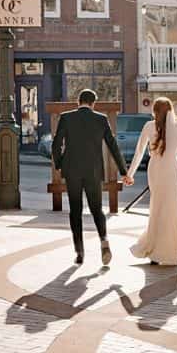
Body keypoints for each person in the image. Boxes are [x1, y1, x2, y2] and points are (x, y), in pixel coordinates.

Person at [123, 97, 177, 267]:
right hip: (172, 170)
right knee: (172, 210)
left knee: (157, 208)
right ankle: (169, 252)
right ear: (171, 110)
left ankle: (154, 251)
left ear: (155, 111)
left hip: (155, 169)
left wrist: (130, 174)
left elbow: (138, 153)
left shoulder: (148, 127)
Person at [52, 89, 127, 266]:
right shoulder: (101, 119)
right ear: (93, 103)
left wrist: (61, 164)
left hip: (72, 171)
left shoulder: (66, 117)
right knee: (96, 209)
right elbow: (112, 146)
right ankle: (104, 240)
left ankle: (79, 252)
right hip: (93, 171)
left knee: (75, 211)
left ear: (78, 102)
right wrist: (123, 171)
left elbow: (56, 144)